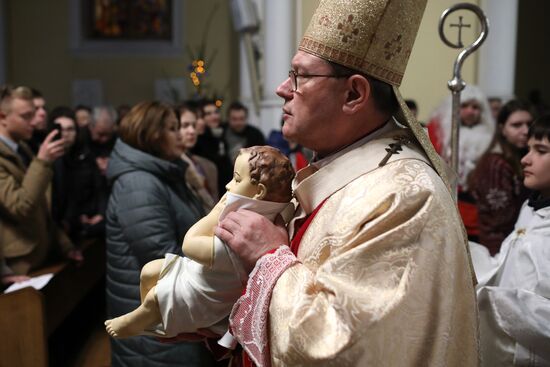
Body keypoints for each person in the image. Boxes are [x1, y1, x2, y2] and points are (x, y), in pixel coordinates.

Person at [211, 1, 479, 366]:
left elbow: (345, 347)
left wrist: (268, 258)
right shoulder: (343, 164)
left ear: (354, 94)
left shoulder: (404, 195)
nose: (281, 89)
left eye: (299, 76)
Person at [105, 146, 294, 341]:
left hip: (206, 296)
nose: (229, 185)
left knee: (156, 297)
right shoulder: (253, 218)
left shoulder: (242, 239)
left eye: (237, 179)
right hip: (199, 275)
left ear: (259, 192)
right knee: (149, 270)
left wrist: (215, 214)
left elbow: (189, 245)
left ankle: (146, 316)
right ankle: (155, 318)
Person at [105, 101, 216, 367]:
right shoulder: (138, 183)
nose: (180, 135)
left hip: (170, 313)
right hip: (152, 330)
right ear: (151, 134)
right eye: (172, 129)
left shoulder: (163, 173)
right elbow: (161, 257)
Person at [470, 115, 550, 366]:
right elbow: (506, 264)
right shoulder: (530, 206)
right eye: (528, 149)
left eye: (541, 150)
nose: (526, 159)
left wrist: (502, 302)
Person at [0, 85, 81, 275]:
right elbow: (21, 207)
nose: (35, 121)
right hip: (18, 266)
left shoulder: (22, 148)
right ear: (3, 117)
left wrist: (65, 246)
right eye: (26, 116)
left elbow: (42, 208)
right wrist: (43, 161)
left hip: (39, 255)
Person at [428, 85, 495, 241]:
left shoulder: (490, 138)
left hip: (477, 211)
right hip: (445, 205)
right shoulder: (438, 133)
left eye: (475, 107)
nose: (470, 111)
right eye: (464, 106)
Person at [470, 100, 534, 254]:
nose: (525, 131)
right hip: (498, 248)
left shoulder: (520, 157)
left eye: (529, 124)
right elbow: (499, 220)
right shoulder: (496, 164)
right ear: (502, 129)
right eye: (516, 125)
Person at [178, 103, 218, 208]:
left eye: (194, 125)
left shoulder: (203, 163)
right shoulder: (174, 163)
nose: (192, 131)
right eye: (185, 126)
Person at [192, 100, 232, 196]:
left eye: (216, 112)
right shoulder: (198, 141)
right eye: (208, 114)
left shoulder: (221, 134)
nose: (214, 117)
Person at [27, 88, 48, 154]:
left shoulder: (44, 138)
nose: (43, 113)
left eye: (44, 108)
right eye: (36, 108)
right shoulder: (20, 142)